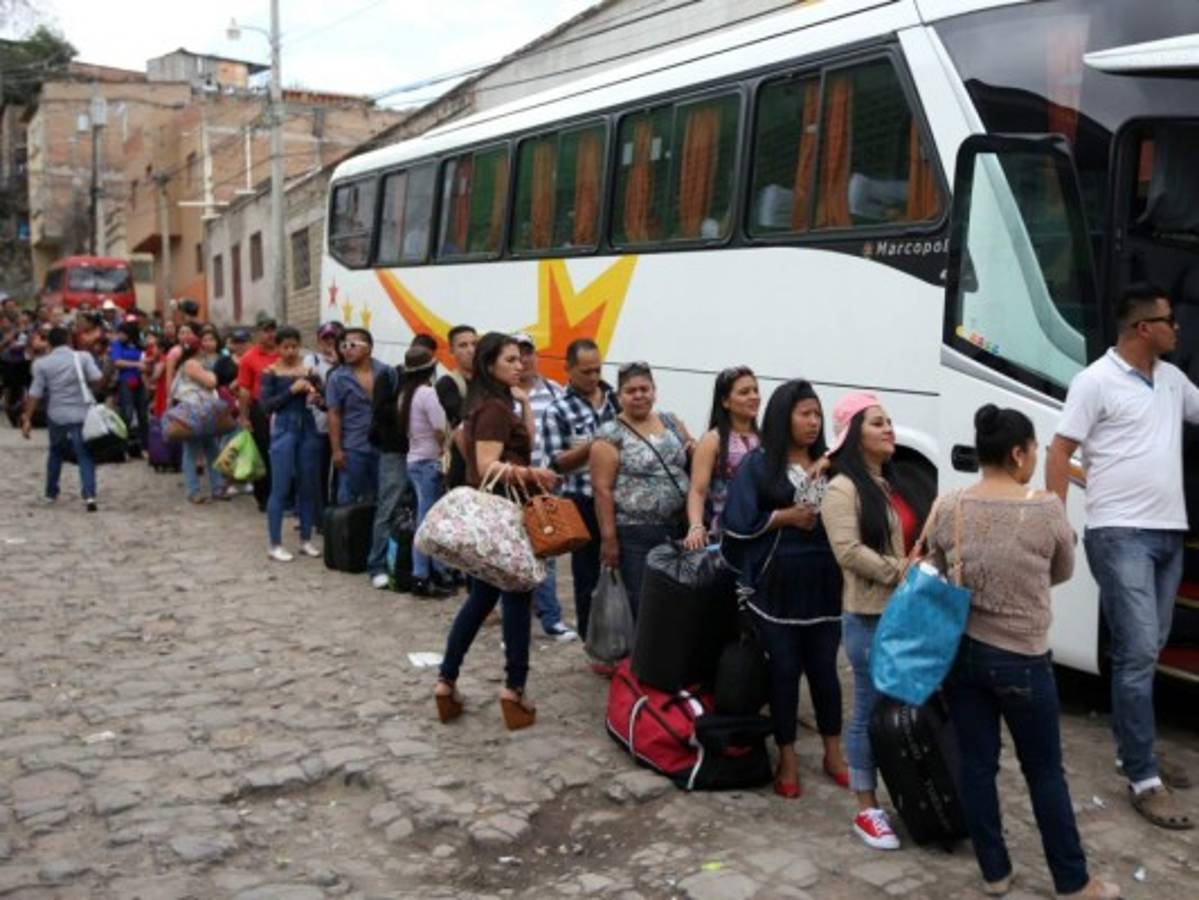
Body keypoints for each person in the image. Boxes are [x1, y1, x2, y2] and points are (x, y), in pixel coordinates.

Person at [928, 406, 1119, 899]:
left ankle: (994, 872)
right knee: (1044, 771)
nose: (1035, 457)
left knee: (977, 766)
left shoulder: (951, 506)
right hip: (1023, 658)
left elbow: (937, 565)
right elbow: (1062, 571)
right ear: (1017, 453)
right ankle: (1073, 881)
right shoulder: (1046, 509)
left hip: (964, 655)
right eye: (1034, 449)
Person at [1046, 283, 1199, 830]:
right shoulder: (1095, 381)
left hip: (1168, 536)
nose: (1177, 328)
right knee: (1136, 652)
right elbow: (1060, 450)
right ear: (1143, 328)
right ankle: (1142, 776)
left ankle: (1136, 747)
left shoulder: (1173, 380)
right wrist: (1056, 522)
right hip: (1119, 535)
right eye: (1169, 320)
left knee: (1146, 650)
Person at [722, 381, 845, 800]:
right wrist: (784, 517)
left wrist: (828, 471)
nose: (813, 422)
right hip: (776, 585)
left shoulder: (830, 465)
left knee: (825, 670)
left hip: (824, 583)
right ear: (782, 417)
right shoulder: (759, 465)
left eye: (817, 414)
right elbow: (737, 522)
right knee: (785, 670)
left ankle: (833, 753)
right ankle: (788, 758)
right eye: (804, 414)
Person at [434, 332, 559, 730]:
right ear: (490, 366)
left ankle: (447, 681)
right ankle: (514, 689)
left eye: (521, 359)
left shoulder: (495, 404)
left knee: (482, 599)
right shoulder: (492, 409)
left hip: (498, 513)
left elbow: (521, 443)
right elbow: (488, 464)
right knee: (517, 596)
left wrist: (524, 404)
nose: (520, 365)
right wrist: (531, 474)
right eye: (510, 360)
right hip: (504, 515)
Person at [821, 392, 929, 851]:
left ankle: (910, 792)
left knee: (907, 710)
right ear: (853, 436)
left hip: (907, 612)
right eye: (877, 423)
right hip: (869, 617)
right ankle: (866, 807)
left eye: (889, 421)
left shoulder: (892, 481)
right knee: (868, 709)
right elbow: (847, 552)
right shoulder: (842, 489)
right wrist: (900, 570)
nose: (889, 429)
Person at [591, 361, 693, 617]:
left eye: (644, 389)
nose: (638, 395)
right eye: (630, 391)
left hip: (677, 528)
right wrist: (609, 540)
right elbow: (602, 489)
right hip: (635, 533)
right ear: (619, 396)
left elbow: (691, 454)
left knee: (676, 603)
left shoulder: (671, 422)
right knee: (643, 604)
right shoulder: (610, 434)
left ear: (654, 391)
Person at [542, 338, 620, 638]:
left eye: (597, 370)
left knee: (620, 568)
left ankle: (621, 634)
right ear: (568, 369)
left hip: (618, 497)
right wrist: (593, 447)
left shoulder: (616, 401)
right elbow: (556, 463)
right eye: (586, 371)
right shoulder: (558, 409)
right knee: (586, 574)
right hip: (582, 499)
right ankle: (591, 637)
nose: (593, 377)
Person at [514, 332, 575, 641]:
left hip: (548, 485)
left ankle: (551, 618)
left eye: (528, 352)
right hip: (513, 486)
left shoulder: (555, 392)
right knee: (515, 555)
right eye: (516, 355)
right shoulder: (501, 397)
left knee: (546, 551)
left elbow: (568, 435)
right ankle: (517, 620)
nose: (523, 360)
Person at [20, 326, 102, 511]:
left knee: (56, 452)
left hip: (57, 414)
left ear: (49, 343)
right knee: (85, 454)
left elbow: (35, 393)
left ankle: (51, 492)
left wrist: (27, 418)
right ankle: (89, 494)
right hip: (81, 412)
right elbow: (97, 378)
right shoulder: (83, 357)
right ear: (69, 340)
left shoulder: (41, 364)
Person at [260, 326, 323, 562]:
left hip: (307, 426)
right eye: (285, 347)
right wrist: (291, 390)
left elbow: (323, 398)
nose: (290, 351)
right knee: (280, 487)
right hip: (284, 428)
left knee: (307, 486)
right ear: (278, 348)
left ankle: (305, 539)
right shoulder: (270, 372)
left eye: (294, 346)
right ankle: (274, 543)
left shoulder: (309, 371)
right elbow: (266, 406)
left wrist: (316, 396)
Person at [684, 366, 761, 550]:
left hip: (760, 531)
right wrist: (696, 527)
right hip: (724, 535)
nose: (754, 396)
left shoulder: (765, 439)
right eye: (744, 392)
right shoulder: (712, 440)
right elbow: (698, 490)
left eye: (755, 390)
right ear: (726, 402)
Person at [399, 345, 452, 597]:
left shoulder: (405, 395)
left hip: (414, 460)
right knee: (428, 523)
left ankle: (432, 571)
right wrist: (445, 449)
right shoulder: (428, 394)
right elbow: (440, 427)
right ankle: (422, 575)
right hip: (429, 462)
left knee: (426, 519)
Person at [366, 341, 412, 590]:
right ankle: (377, 565)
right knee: (388, 507)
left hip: (421, 455)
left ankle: (407, 566)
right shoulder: (391, 377)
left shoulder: (433, 382)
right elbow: (380, 411)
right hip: (394, 452)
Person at [326, 327, 386, 506]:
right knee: (349, 500)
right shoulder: (337, 378)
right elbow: (334, 414)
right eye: (343, 346)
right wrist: (336, 450)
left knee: (382, 497)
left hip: (382, 447)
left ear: (368, 348)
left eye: (352, 345)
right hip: (353, 447)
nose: (347, 350)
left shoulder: (386, 372)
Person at [170, 334, 227, 504]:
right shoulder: (192, 364)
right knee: (194, 450)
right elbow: (211, 382)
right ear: (199, 349)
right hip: (195, 411)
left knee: (210, 448)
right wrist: (213, 375)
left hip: (199, 411)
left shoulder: (188, 364)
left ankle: (215, 487)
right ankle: (195, 490)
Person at [236, 316, 280, 512]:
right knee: (262, 453)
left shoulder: (283, 352)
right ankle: (263, 496)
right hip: (260, 410)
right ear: (257, 333)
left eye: (272, 330)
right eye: (265, 330)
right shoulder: (249, 357)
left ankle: (282, 494)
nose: (270, 334)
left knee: (281, 453)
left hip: (282, 408)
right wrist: (244, 417)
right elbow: (244, 390)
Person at [304, 322, 342, 522]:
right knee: (319, 473)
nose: (329, 342)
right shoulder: (312, 360)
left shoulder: (345, 363)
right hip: (317, 426)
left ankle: (335, 514)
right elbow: (309, 385)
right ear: (319, 340)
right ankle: (319, 517)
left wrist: (338, 362)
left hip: (340, 428)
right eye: (325, 338)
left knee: (339, 474)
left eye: (333, 338)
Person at [109, 321, 147, 455]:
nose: (120, 335)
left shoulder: (139, 345)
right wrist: (136, 364)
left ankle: (144, 446)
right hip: (125, 381)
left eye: (122, 333)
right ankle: (123, 447)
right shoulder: (117, 344)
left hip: (140, 381)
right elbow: (117, 362)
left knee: (143, 414)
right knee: (127, 413)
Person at [435, 325, 477, 427]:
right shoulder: (447, 384)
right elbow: (460, 419)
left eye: (474, 344)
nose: (471, 350)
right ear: (451, 351)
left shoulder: (489, 379)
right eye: (463, 345)